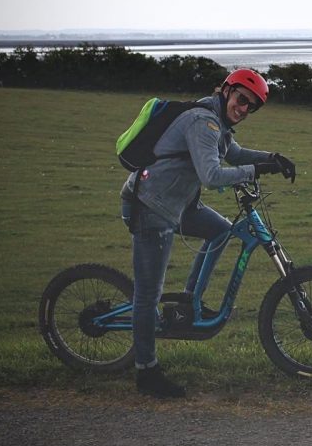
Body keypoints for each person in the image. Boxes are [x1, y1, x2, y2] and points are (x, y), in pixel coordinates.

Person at [120, 68, 295, 398]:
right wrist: (256, 170)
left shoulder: (218, 122)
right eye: (242, 99)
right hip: (152, 207)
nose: (244, 109)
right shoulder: (204, 121)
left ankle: (189, 302)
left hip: (179, 203)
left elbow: (234, 154)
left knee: (220, 231)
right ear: (227, 91)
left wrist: (272, 159)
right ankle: (146, 372)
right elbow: (213, 175)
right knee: (147, 296)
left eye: (251, 106)